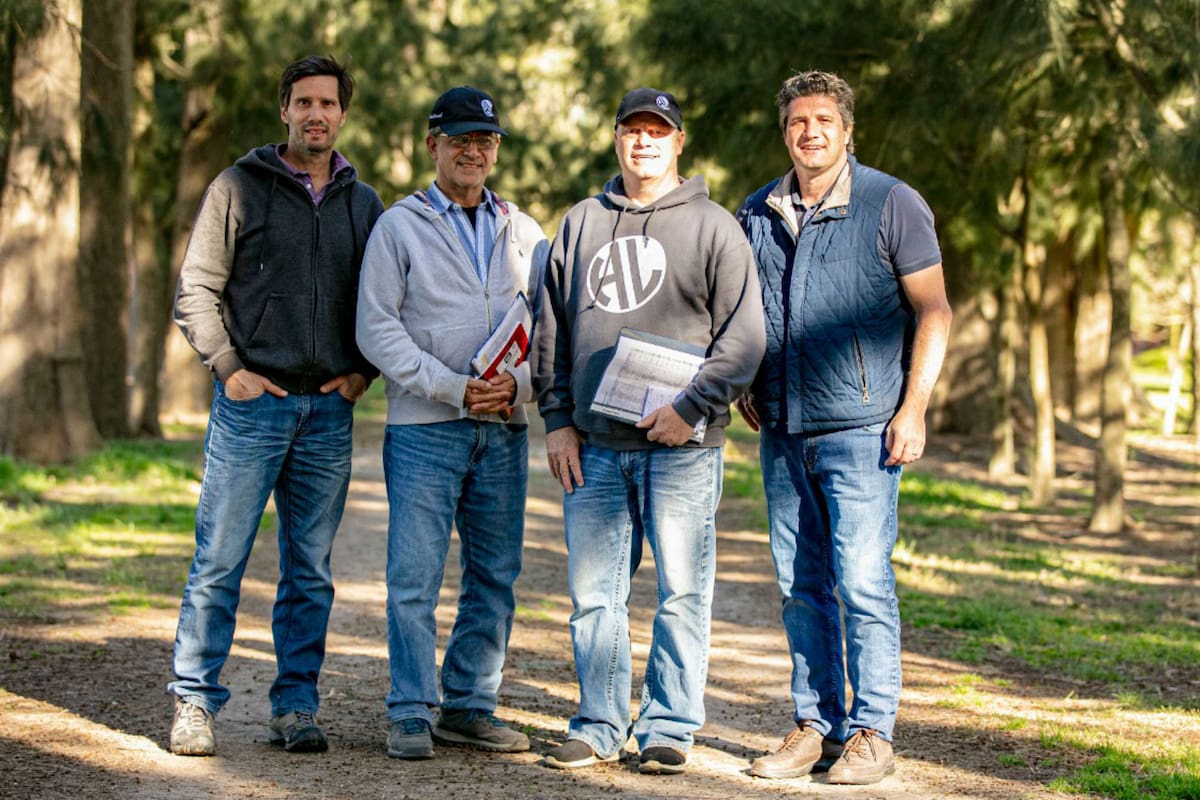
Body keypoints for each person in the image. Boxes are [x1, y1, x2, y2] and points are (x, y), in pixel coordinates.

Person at [534, 87, 765, 775]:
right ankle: (600, 723)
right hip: (596, 449)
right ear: (615, 139)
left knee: (682, 593)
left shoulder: (715, 228)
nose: (645, 142)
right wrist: (556, 423)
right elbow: (551, 331)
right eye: (633, 130)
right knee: (594, 596)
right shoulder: (578, 224)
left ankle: (667, 725)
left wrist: (691, 408)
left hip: (682, 450)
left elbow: (745, 338)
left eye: (658, 131)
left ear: (678, 142)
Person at [735, 70, 953, 785]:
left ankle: (873, 732)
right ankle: (816, 726)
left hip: (864, 430)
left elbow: (935, 311)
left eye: (824, 119)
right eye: (798, 121)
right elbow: (746, 312)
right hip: (783, 431)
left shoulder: (893, 202)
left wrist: (914, 407)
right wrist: (747, 380)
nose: (811, 132)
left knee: (861, 582)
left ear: (847, 129)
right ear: (785, 131)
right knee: (802, 587)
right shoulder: (757, 210)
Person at [168, 55, 384, 757]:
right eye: (303, 103)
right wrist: (228, 367)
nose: (315, 114)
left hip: (326, 414)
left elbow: (386, 304)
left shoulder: (365, 203)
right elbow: (196, 289)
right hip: (251, 407)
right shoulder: (237, 186)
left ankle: (295, 706)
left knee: (309, 571)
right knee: (220, 560)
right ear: (284, 110)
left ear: (342, 115)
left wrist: (361, 373)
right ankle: (195, 702)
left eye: (327, 103)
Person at [355, 86, 547, 760]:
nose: (473, 150)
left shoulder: (525, 231)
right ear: (431, 143)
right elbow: (375, 328)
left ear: (495, 149)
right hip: (424, 430)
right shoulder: (398, 226)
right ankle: (410, 710)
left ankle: (468, 706)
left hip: (504, 430)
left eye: (485, 140)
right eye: (459, 138)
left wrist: (514, 387)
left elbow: (550, 331)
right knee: (414, 576)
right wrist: (452, 389)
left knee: (495, 574)